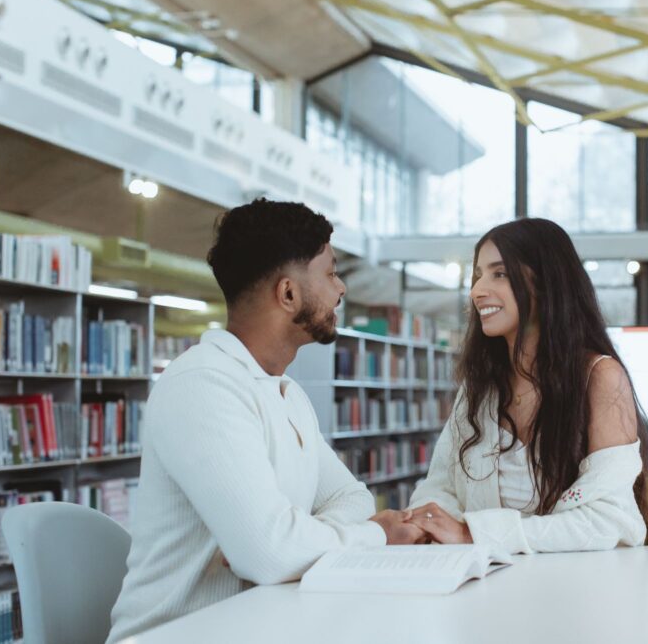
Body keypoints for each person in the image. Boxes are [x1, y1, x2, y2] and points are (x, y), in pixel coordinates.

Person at [107, 199, 422, 643]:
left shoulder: (285, 393)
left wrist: (291, 540)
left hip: (258, 623)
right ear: (289, 293)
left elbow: (351, 498)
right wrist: (372, 536)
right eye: (331, 272)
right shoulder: (203, 385)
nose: (341, 289)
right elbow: (271, 551)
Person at [406, 218, 648, 553]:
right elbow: (439, 486)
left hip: (581, 587)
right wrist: (432, 523)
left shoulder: (600, 378)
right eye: (478, 275)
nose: (477, 290)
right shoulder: (480, 386)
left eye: (499, 274)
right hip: (486, 582)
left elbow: (610, 520)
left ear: (547, 283)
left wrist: (472, 534)